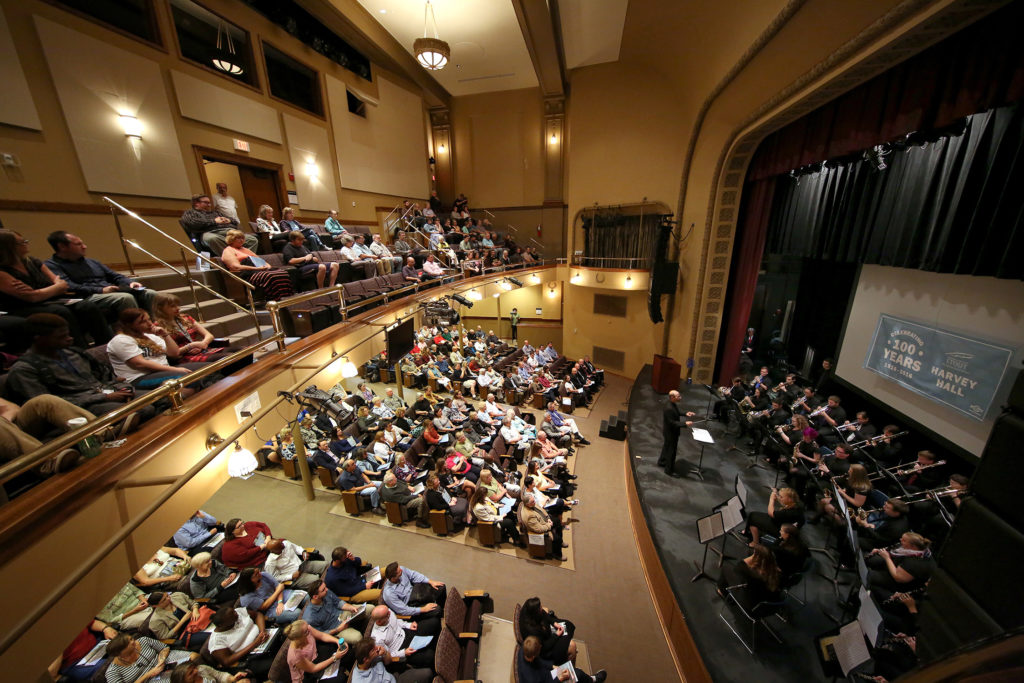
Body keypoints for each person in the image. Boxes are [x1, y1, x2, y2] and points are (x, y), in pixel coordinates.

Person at [3, 314, 144, 419]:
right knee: (141, 411)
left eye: (68, 334)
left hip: (108, 394)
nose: (70, 339)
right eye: (61, 337)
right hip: (81, 407)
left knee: (159, 398)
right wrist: (104, 398)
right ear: (38, 339)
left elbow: (107, 378)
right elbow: (49, 407)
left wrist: (123, 390)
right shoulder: (25, 370)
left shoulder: (76, 353)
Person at [0, 229, 110, 346]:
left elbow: (62, 285)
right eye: (21, 242)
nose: (26, 243)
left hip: (48, 301)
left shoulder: (33, 261)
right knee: (60, 311)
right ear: (8, 247)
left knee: (86, 306)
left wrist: (41, 292)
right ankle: (80, 350)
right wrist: (52, 289)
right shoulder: (2, 271)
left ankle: (107, 346)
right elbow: (31, 298)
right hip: (20, 308)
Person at [45, 230, 156, 316]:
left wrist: (129, 283)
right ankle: (135, 333)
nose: (84, 247)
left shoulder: (92, 262)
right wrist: (100, 290)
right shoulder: (52, 266)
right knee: (124, 298)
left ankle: (157, 329)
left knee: (150, 293)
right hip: (87, 296)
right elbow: (69, 286)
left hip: (109, 291)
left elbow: (115, 276)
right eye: (78, 244)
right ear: (62, 247)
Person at [106, 308, 207, 391]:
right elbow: (140, 363)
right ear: (129, 325)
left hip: (162, 371)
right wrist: (175, 369)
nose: (150, 324)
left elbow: (174, 353)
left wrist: (165, 335)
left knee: (209, 369)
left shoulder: (151, 336)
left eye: (149, 319)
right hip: (138, 378)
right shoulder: (121, 340)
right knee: (188, 377)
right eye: (143, 322)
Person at [219, 229, 294, 301]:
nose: (241, 240)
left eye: (242, 238)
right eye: (238, 238)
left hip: (257, 271)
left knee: (282, 273)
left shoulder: (245, 249)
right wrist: (257, 269)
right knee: (270, 276)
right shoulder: (228, 250)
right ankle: (275, 301)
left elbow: (261, 261)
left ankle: (286, 299)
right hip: (245, 275)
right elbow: (236, 267)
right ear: (231, 239)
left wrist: (267, 266)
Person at [206, 606, 273, 680]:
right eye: (232, 616)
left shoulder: (238, 612)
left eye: (234, 612)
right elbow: (227, 661)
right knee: (275, 662)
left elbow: (258, 615)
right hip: (251, 656)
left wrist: (262, 631)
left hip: (264, 637)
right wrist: (255, 643)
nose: (236, 614)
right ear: (222, 625)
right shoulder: (216, 641)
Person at [369, 604, 440, 670]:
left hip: (406, 632)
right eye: (387, 614)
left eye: (388, 611)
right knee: (430, 656)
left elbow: (396, 620)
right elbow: (388, 655)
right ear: (379, 621)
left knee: (434, 622)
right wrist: (403, 653)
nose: (390, 613)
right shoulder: (377, 639)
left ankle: (439, 646)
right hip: (401, 648)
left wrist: (408, 625)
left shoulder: (388, 612)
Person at [180, 194, 257, 255]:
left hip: (229, 232)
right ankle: (231, 259)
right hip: (209, 233)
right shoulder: (190, 213)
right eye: (206, 202)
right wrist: (214, 221)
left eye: (209, 203)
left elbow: (235, 222)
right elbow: (193, 223)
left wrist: (229, 220)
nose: (209, 205)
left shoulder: (216, 212)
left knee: (252, 240)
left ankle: (244, 259)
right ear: (196, 203)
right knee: (212, 239)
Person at [103, 633, 193, 683]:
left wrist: (161, 660)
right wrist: (149, 674)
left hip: (164, 661)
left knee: (194, 657)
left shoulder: (143, 640)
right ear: (121, 654)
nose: (135, 643)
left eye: (132, 640)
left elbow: (164, 648)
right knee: (181, 678)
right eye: (130, 651)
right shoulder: (112, 672)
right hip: (149, 680)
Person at [716, 543, 782, 612]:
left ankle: (723, 592)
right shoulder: (776, 573)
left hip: (751, 606)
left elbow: (738, 567)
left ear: (757, 558)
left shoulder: (752, 575)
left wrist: (751, 559)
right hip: (770, 605)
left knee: (725, 569)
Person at [302, 579, 367, 644]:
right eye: (323, 590)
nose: (327, 589)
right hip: (336, 628)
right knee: (358, 637)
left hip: (343, 613)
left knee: (368, 609)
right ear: (315, 597)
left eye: (325, 587)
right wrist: (337, 629)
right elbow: (321, 634)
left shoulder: (326, 592)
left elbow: (338, 603)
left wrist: (351, 607)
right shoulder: (309, 617)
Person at [283, 619, 348, 683]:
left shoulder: (307, 629)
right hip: (308, 674)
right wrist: (334, 657)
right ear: (300, 637)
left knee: (346, 652)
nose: (309, 629)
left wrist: (337, 641)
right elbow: (313, 668)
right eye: (306, 631)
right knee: (340, 678)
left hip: (316, 657)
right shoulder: (294, 655)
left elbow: (322, 636)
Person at [350, 637, 432, 683]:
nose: (377, 649)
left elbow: (388, 661)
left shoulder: (374, 656)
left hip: (395, 678)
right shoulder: (359, 680)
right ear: (366, 659)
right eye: (373, 650)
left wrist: (385, 653)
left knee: (427, 673)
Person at [237, 567, 303, 625]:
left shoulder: (264, 575)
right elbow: (264, 606)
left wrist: (280, 602)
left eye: (258, 571)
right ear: (250, 580)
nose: (259, 573)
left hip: (282, 596)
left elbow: (278, 586)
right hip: (270, 610)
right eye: (256, 574)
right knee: (297, 613)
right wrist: (278, 591)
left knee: (304, 596)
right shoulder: (246, 597)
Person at [381, 562, 446, 619]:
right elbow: (402, 610)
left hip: (416, 591)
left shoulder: (401, 569)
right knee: (437, 609)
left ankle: (444, 610)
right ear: (393, 578)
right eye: (399, 572)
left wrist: (430, 581)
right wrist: (423, 609)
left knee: (441, 587)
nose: (401, 570)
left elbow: (414, 575)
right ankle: (439, 614)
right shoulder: (389, 593)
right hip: (410, 604)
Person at [263, 537, 328, 591]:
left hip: (304, 565)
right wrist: (291, 576)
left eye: (282, 544)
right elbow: (275, 578)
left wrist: (303, 552)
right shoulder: (270, 563)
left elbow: (297, 548)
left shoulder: (285, 543)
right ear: (274, 551)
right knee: (317, 581)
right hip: (295, 577)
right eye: (281, 547)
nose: (283, 546)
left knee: (326, 565)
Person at [520, 492, 564, 561]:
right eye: (532, 501)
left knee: (557, 521)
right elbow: (538, 529)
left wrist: (548, 518)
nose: (535, 502)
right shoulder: (529, 516)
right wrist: (548, 525)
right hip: (542, 527)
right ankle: (557, 554)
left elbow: (541, 510)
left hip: (544, 520)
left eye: (534, 500)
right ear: (527, 504)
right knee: (557, 538)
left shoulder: (532, 504)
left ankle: (560, 542)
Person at [658, 390, 688, 477]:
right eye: (678, 396)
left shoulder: (672, 404)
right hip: (671, 433)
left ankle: (662, 461)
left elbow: (677, 413)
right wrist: (685, 424)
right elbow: (672, 423)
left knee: (666, 447)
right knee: (672, 451)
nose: (680, 397)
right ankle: (669, 470)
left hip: (668, 432)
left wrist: (686, 413)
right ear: (672, 397)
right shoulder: (669, 408)